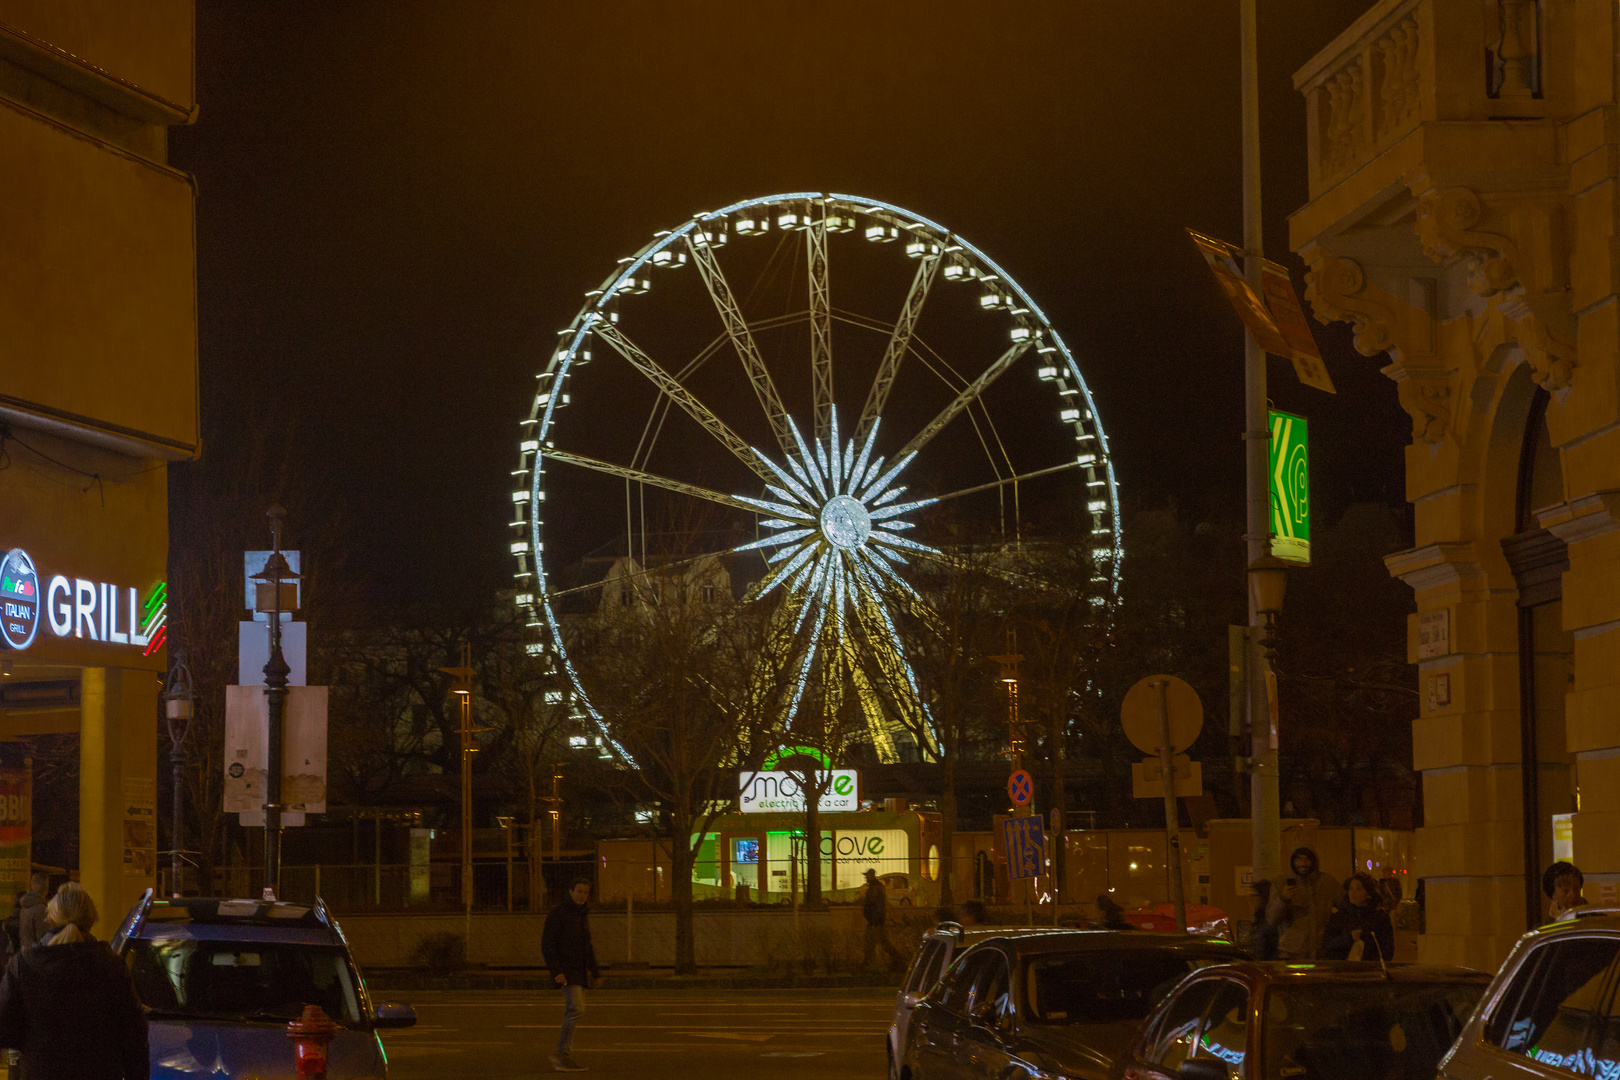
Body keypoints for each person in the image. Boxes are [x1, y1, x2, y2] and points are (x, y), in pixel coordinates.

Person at [0, 886, 147, 1079]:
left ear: (51, 921)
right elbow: (134, 1035)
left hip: (41, 1072)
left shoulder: (24, 965)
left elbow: (5, 1027)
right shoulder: (111, 966)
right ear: (91, 920)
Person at [541, 878, 601, 1072]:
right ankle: (562, 1055)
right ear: (570, 891)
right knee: (576, 1009)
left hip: (579, 971)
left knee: (573, 1010)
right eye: (579, 891)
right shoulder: (559, 914)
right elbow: (547, 945)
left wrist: (596, 971)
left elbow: (587, 946)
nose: (582, 895)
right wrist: (556, 972)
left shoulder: (581, 915)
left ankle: (562, 1054)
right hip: (567, 971)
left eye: (585, 892)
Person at [1266, 846, 1341, 960]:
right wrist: (1283, 899)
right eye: (1299, 859)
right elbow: (1272, 918)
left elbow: (1346, 906)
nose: (1303, 863)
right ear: (1292, 861)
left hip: (1321, 952)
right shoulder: (1280, 882)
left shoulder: (1327, 883)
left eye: (1307, 859)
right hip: (1291, 953)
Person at [1321, 872, 1394, 962]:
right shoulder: (1340, 916)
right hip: (1343, 970)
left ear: (1368, 893)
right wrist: (1349, 938)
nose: (1353, 893)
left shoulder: (1380, 918)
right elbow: (1328, 943)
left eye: (1359, 889)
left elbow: (1387, 949)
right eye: (1351, 888)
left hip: (1370, 970)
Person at [861, 869, 904, 969]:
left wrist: (874, 919)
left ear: (872, 875)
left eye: (867, 876)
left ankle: (897, 960)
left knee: (875, 942)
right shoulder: (875, 887)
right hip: (875, 920)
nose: (866, 877)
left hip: (875, 921)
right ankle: (868, 962)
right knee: (875, 942)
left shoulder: (875, 888)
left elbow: (874, 904)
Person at [1249, 881, 1279, 960]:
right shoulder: (1258, 918)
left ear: (1263, 897)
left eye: (1254, 896)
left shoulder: (1268, 920)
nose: (1251, 899)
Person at [17, 875, 47, 950]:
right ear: (46, 887)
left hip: (25, 951)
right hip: (35, 955)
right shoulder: (40, 908)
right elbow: (43, 937)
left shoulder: (25, 906)